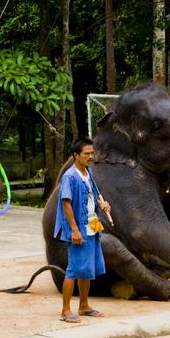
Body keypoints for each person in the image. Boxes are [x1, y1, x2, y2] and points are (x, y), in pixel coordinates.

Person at [54, 138, 111, 323]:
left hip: (92, 227)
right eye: (86, 154)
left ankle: (84, 306)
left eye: (92, 153)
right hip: (79, 229)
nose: (90, 156)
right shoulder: (70, 176)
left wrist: (103, 205)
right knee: (74, 270)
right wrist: (74, 230)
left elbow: (92, 194)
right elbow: (66, 203)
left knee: (85, 269)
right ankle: (65, 311)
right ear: (76, 156)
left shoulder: (88, 173)